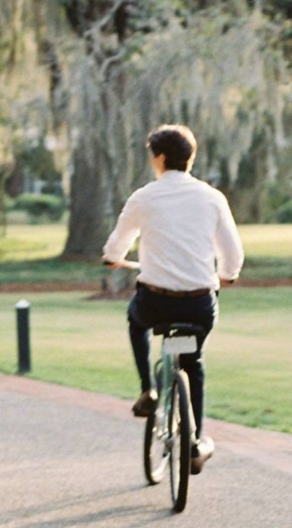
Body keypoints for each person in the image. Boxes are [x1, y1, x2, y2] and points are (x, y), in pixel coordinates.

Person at [102, 124, 243, 474]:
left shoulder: (144, 197)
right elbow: (232, 254)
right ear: (190, 158)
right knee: (193, 363)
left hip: (156, 302)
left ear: (160, 158)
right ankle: (195, 443)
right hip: (198, 303)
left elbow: (116, 245)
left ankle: (147, 390)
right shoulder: (212, 197)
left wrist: (114, 258)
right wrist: (227, 274)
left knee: (136, 322)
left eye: (152, 155)